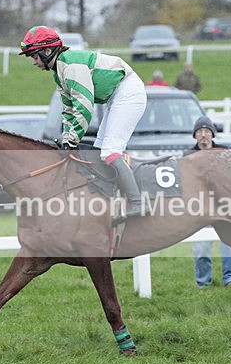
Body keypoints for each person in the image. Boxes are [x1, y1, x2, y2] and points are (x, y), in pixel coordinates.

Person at [19, 25, 148, 222]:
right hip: (118, 95)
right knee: (99, 151)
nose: (34, 62)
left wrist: (73, 140)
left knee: (110, 152)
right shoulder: (59, 71)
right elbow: (68, 110)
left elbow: (84, 107)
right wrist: (67, 138)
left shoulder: (71, 67)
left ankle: (138, 203)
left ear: (47, 51)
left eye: (34, 57)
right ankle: (112, 201)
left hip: (128, 92)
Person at [185, 115, 231, 289]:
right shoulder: (187, 156)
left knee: (229, 244)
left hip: (223, 206)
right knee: (201, 248)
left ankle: (230, 279)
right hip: (199, 208)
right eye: (199, 131)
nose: (203, 135)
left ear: (212, 135)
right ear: (195, 135)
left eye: (207, 131)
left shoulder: (223, 153)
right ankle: (203, 283)